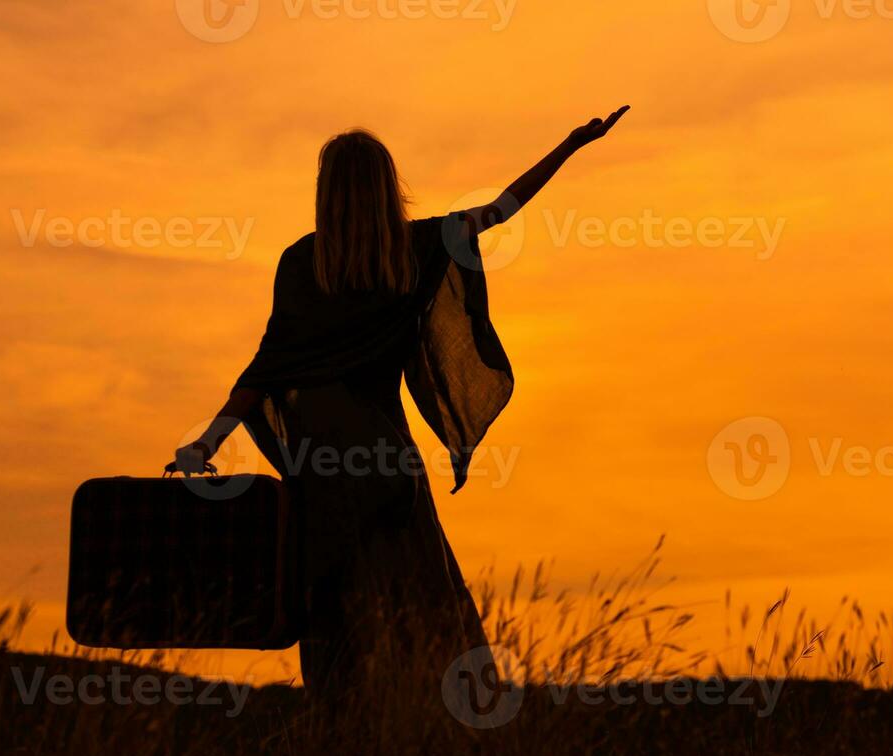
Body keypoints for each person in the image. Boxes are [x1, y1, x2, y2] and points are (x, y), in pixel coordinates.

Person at [173, 107, 631, 691]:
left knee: (332, 613)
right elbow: (501, 209)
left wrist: (207, 442)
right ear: (387, 188)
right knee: (422, 609)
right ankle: (432, 736)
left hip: (322, 466)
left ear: (326, 192)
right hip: (387, 461)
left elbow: (265, 369)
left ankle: (346, 741)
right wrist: (569, 146)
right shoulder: (415, 248)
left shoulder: (299, 263)